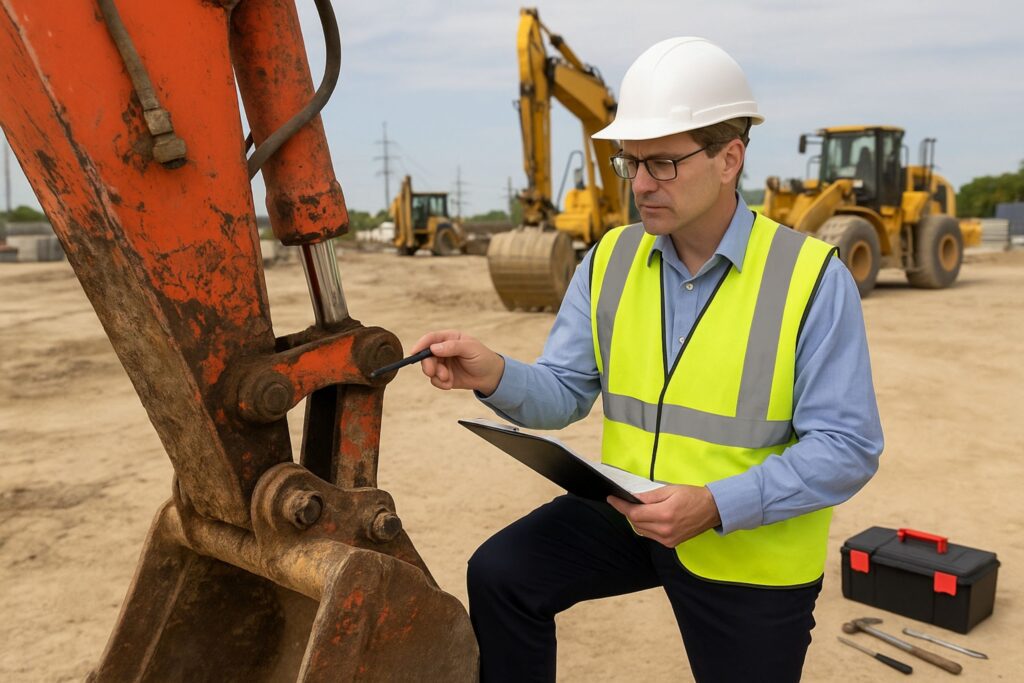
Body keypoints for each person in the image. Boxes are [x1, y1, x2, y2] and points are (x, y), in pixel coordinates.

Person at [413, 36, 882, 683]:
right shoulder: (609, 259)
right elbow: (563, 391)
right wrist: (492, 371)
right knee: (502, 573)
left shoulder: (810, 279)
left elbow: (847, 446)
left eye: (661, 163)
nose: (639, 184)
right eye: (628, 162)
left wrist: (715, 503)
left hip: (750, 547)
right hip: (630, 512)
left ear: (729, 158)